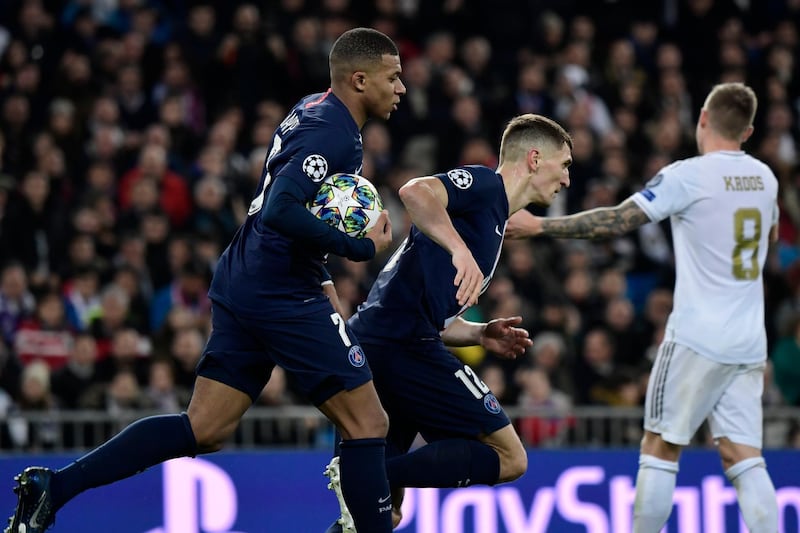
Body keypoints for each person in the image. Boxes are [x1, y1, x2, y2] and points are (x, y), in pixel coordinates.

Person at [5, 27, 404, 533]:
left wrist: (322, 270)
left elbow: (286, 205)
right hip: (279, 289)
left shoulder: (316, 108)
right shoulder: (333, 132)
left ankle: (54, 488)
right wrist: (359, 247)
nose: (401, 88)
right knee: (370, 423)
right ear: (359, 78)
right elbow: (281, 208)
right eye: (393, 77)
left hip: (251, 275)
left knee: (206, 427)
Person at [505, 82, 779, 533]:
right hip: (748, 338)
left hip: (696, 335)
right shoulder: (765, 179)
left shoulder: (687, 175)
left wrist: (540, 226)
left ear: (703, 119)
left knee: (659, 446)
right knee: (744, 456)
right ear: (748, 131)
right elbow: (767, 239)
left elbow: (616, 220)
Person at [324, 113, 573, 532]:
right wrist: (459, 249)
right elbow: (415, 191)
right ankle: (371, 474)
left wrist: (478, 333)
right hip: (402, 344)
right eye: (564, 165)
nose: (566, 179)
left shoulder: (493, 222)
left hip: (382, 340)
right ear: (534, 158)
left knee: (377, 518)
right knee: (511, 458)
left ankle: (370, 478)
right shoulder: (485, 186)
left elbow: (429, 311)